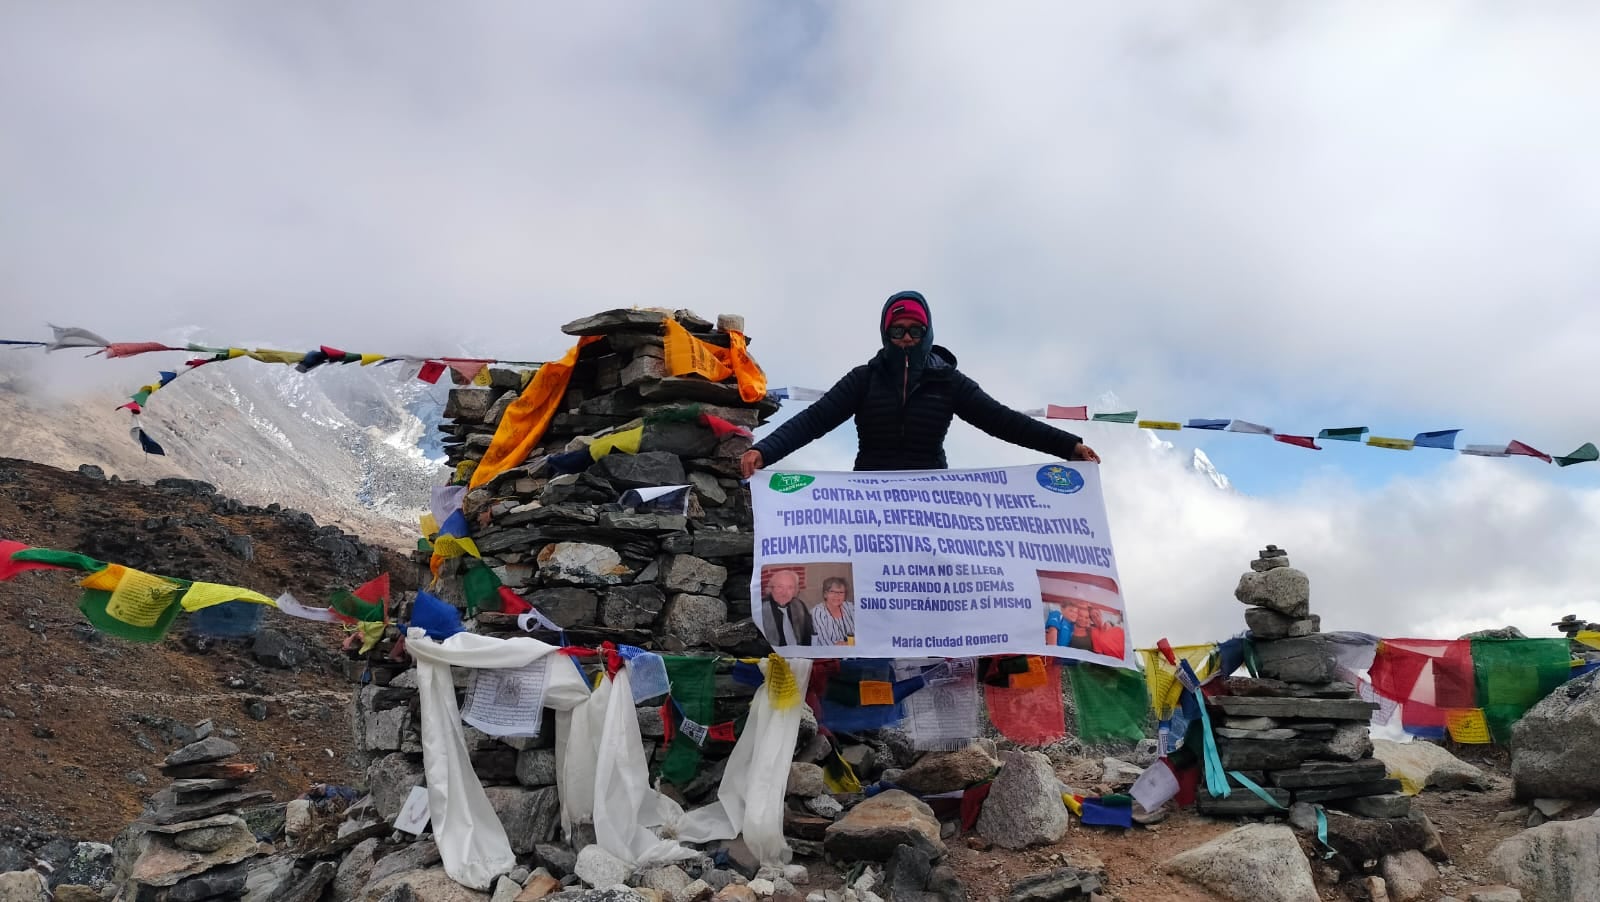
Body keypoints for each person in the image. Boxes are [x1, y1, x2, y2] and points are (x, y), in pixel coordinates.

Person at [741, 290, 1099, 476]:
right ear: (885, 333)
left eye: (916, 330)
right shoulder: (864, 379)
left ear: (928, 333)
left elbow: (1003, 422)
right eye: (898, 330)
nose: (907, 337)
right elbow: (814, 420)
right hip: (869, 493)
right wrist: (764, 452)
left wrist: (1068, 446)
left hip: (929, 499)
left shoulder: (950, 382)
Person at [760, 568, 812, 646]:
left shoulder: (799, 605)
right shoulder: (761, 609)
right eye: (780, 587)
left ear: (795, 591)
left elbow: (808, 635)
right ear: (771, 588)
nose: (784, 592)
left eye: (790, 587)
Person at [810, 576, 855, 646]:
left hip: (853, 653)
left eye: (841, 592)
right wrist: (850, 644)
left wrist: (846, 644)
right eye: (832, 592)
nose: (837, 595)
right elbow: (824, 642)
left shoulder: (849, 607)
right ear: (825, 594)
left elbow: (861, 632)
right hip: (829, 654)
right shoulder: (818, 611)